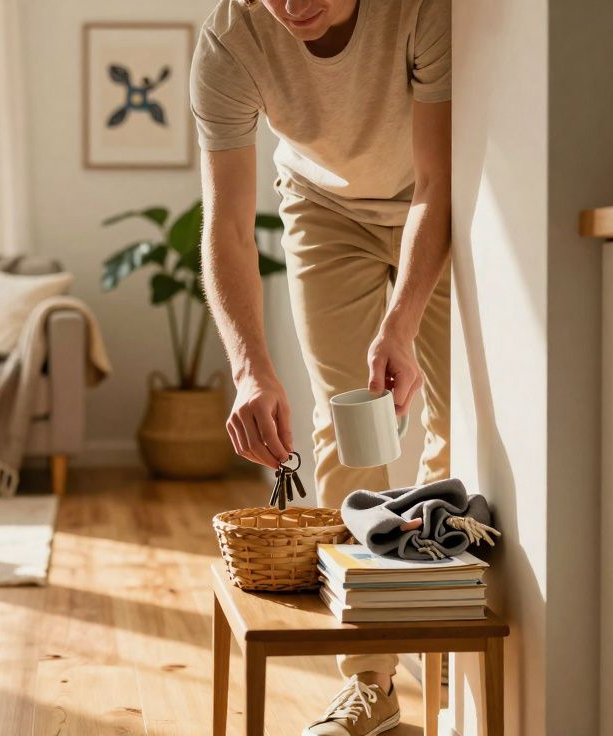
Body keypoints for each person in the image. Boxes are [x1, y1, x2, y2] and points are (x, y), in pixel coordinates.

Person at [191, 0, 451, 733]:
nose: (292, 4)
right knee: (348, 424)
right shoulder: (231, 40)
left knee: (459, 423)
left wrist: (399, 323)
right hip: (320, 206)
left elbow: (438, 180)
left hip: (431, 203)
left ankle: (449, 656)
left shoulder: (423, 10)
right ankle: (372, 686)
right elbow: (228, 225)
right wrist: (249, 369)